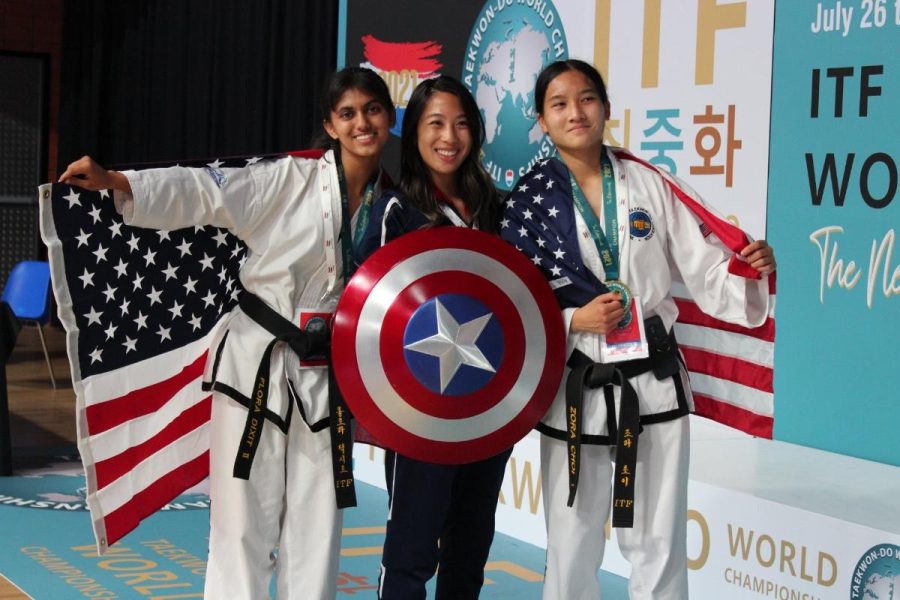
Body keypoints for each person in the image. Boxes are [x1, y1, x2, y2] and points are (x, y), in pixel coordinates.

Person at [58, 67, 396, 599]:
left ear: (390, 117)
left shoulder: (392, 208)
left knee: (319, 529)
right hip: (254, 367)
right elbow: (208, 190)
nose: (362, 123)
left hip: (328, 381)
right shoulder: (289, 178)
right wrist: (122, 182)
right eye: (348, 113)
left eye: (373, 110)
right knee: (242, 525)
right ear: (329, 125)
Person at [501, 59, 776, 600]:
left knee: (658, 539)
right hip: (577, 385)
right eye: (559, 104)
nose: (574, 112)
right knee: (572, 542)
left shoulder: (649, 182)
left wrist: (749, 266)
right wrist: (572, 319)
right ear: (541, 120)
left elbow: (704, 269)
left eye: (586, 99)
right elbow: (513, 307)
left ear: (606, 107)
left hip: (652, 383)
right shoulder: (527, 203)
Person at [354, 75, 507, 600]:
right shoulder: (396, 212)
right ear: (414, 133)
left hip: (489, 404)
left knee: (470, 550)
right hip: (420, 413)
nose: (450, 136)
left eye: (462, 123)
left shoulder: (498, 210)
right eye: (435, 123)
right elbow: (367, 317)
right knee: (411, 551)